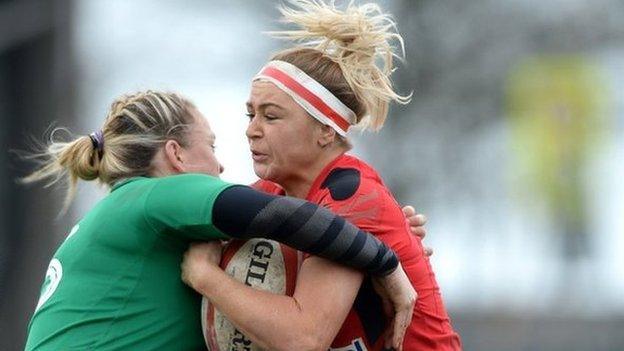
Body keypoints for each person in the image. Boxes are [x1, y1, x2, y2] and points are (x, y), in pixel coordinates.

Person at [22, 90, 417, 350]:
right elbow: (281, 216)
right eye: (211, 146)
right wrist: (383, 260)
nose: (221, 164)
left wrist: (389, 230)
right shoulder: (154, 195)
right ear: (175, 155)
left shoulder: (133, 221)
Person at [181, 1, 462, 350]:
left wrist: (207, 278)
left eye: (271, 117)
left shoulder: (352, 197)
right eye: (250, 114)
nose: (251, 130)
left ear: (326, 131)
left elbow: (304, 338)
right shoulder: (272, 194)